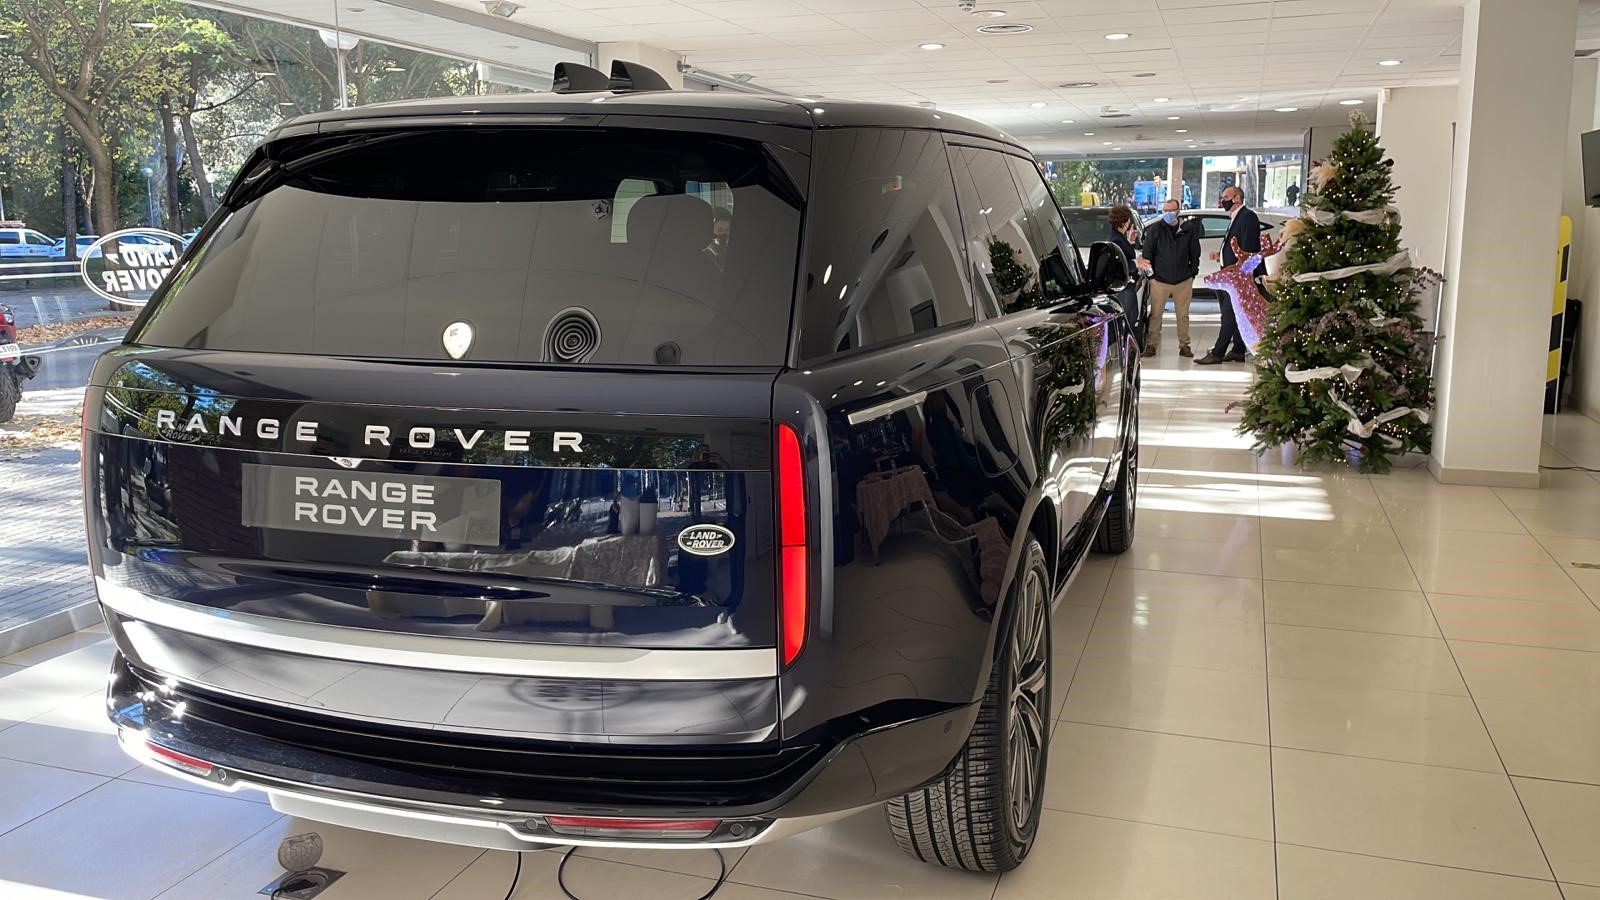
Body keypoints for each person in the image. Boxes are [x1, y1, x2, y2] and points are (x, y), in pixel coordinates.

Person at [1196, 184, 1259, 365]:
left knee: (1229, 315)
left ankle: (1218, 352)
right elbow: (1235, 246)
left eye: (1225, 197)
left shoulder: (1247, 217)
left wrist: (1242, 274)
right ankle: (1238, 350)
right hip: (1229, 275)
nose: (1222, 201)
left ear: (1237, 198)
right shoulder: (1236, 217)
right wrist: (1221, 255)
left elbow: (1248, 249)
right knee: (1233, 314)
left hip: (1237, 278)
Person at [1139, 198, 1201, 358]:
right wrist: (1152, 277)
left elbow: (1195, 253)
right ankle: (1151, 345)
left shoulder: (1188, 229)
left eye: (1170, 211)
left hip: (1183, 280)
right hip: (1159, 281)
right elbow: (1147, 254)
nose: (1167, 213)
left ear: (1178, 211)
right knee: (1156, 315)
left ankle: (1184, 345)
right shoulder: (1155, 230)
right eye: (1165, 211)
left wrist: (1192, 273)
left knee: (1183, 315)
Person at [1106, 205, 1141, 335]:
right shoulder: (1116, 240)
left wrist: (1129, 241)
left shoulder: (1118, 238)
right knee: (1127, 319)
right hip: (1124, 287)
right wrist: (1136, 263)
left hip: (1126, 286)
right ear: (1124, 222)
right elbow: (1120, 264)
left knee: (1131, 316)